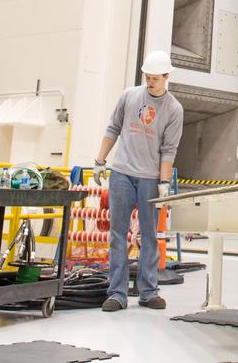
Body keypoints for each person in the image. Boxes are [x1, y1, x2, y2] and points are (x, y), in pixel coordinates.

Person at [95, 50, 184, 311]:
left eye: (155, 78)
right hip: (122, 172)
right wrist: (100, 160)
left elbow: (169, 150)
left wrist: (164, 183)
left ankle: (147, 292)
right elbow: (113, 128)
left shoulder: (173, 109)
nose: (150, 82)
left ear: (166, 77)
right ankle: (117, 294)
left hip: (149, 178)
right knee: (117, 234)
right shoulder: (129, 96)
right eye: (147, 76)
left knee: (149, 236)